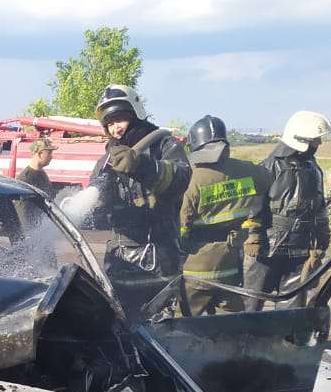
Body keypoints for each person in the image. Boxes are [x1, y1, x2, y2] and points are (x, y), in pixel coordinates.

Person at [85, 85, 191, 314]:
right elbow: (98, 216)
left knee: (159, 324)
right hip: (120, 258)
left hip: (159, 255)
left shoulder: (164, 145)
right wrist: (95, 205)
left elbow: (181, 180)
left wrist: (142, 166)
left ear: (135, 113)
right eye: (109, 124)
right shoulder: (106, 160)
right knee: (120, 320)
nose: (115, 128)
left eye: (119, 119)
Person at [178, 114, 268, 315]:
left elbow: (182, 226)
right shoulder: (249, 172)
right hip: (230, 264)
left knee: (183, 325)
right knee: (231, 325)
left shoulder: (193, 179)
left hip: (196, 268)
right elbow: (269, 181)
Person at [246, 111, 331, 309]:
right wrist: (254, 236)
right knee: (252, 302)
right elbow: (253, 206)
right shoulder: (268, 167)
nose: (319, 144)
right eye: (315, 139)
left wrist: (321, 238)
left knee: (292, 306)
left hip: (301, 245)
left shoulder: (313, 167)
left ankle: (287, 340)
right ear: (299, 139)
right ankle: (246, 338)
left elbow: (319, 207)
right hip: (269, 246)